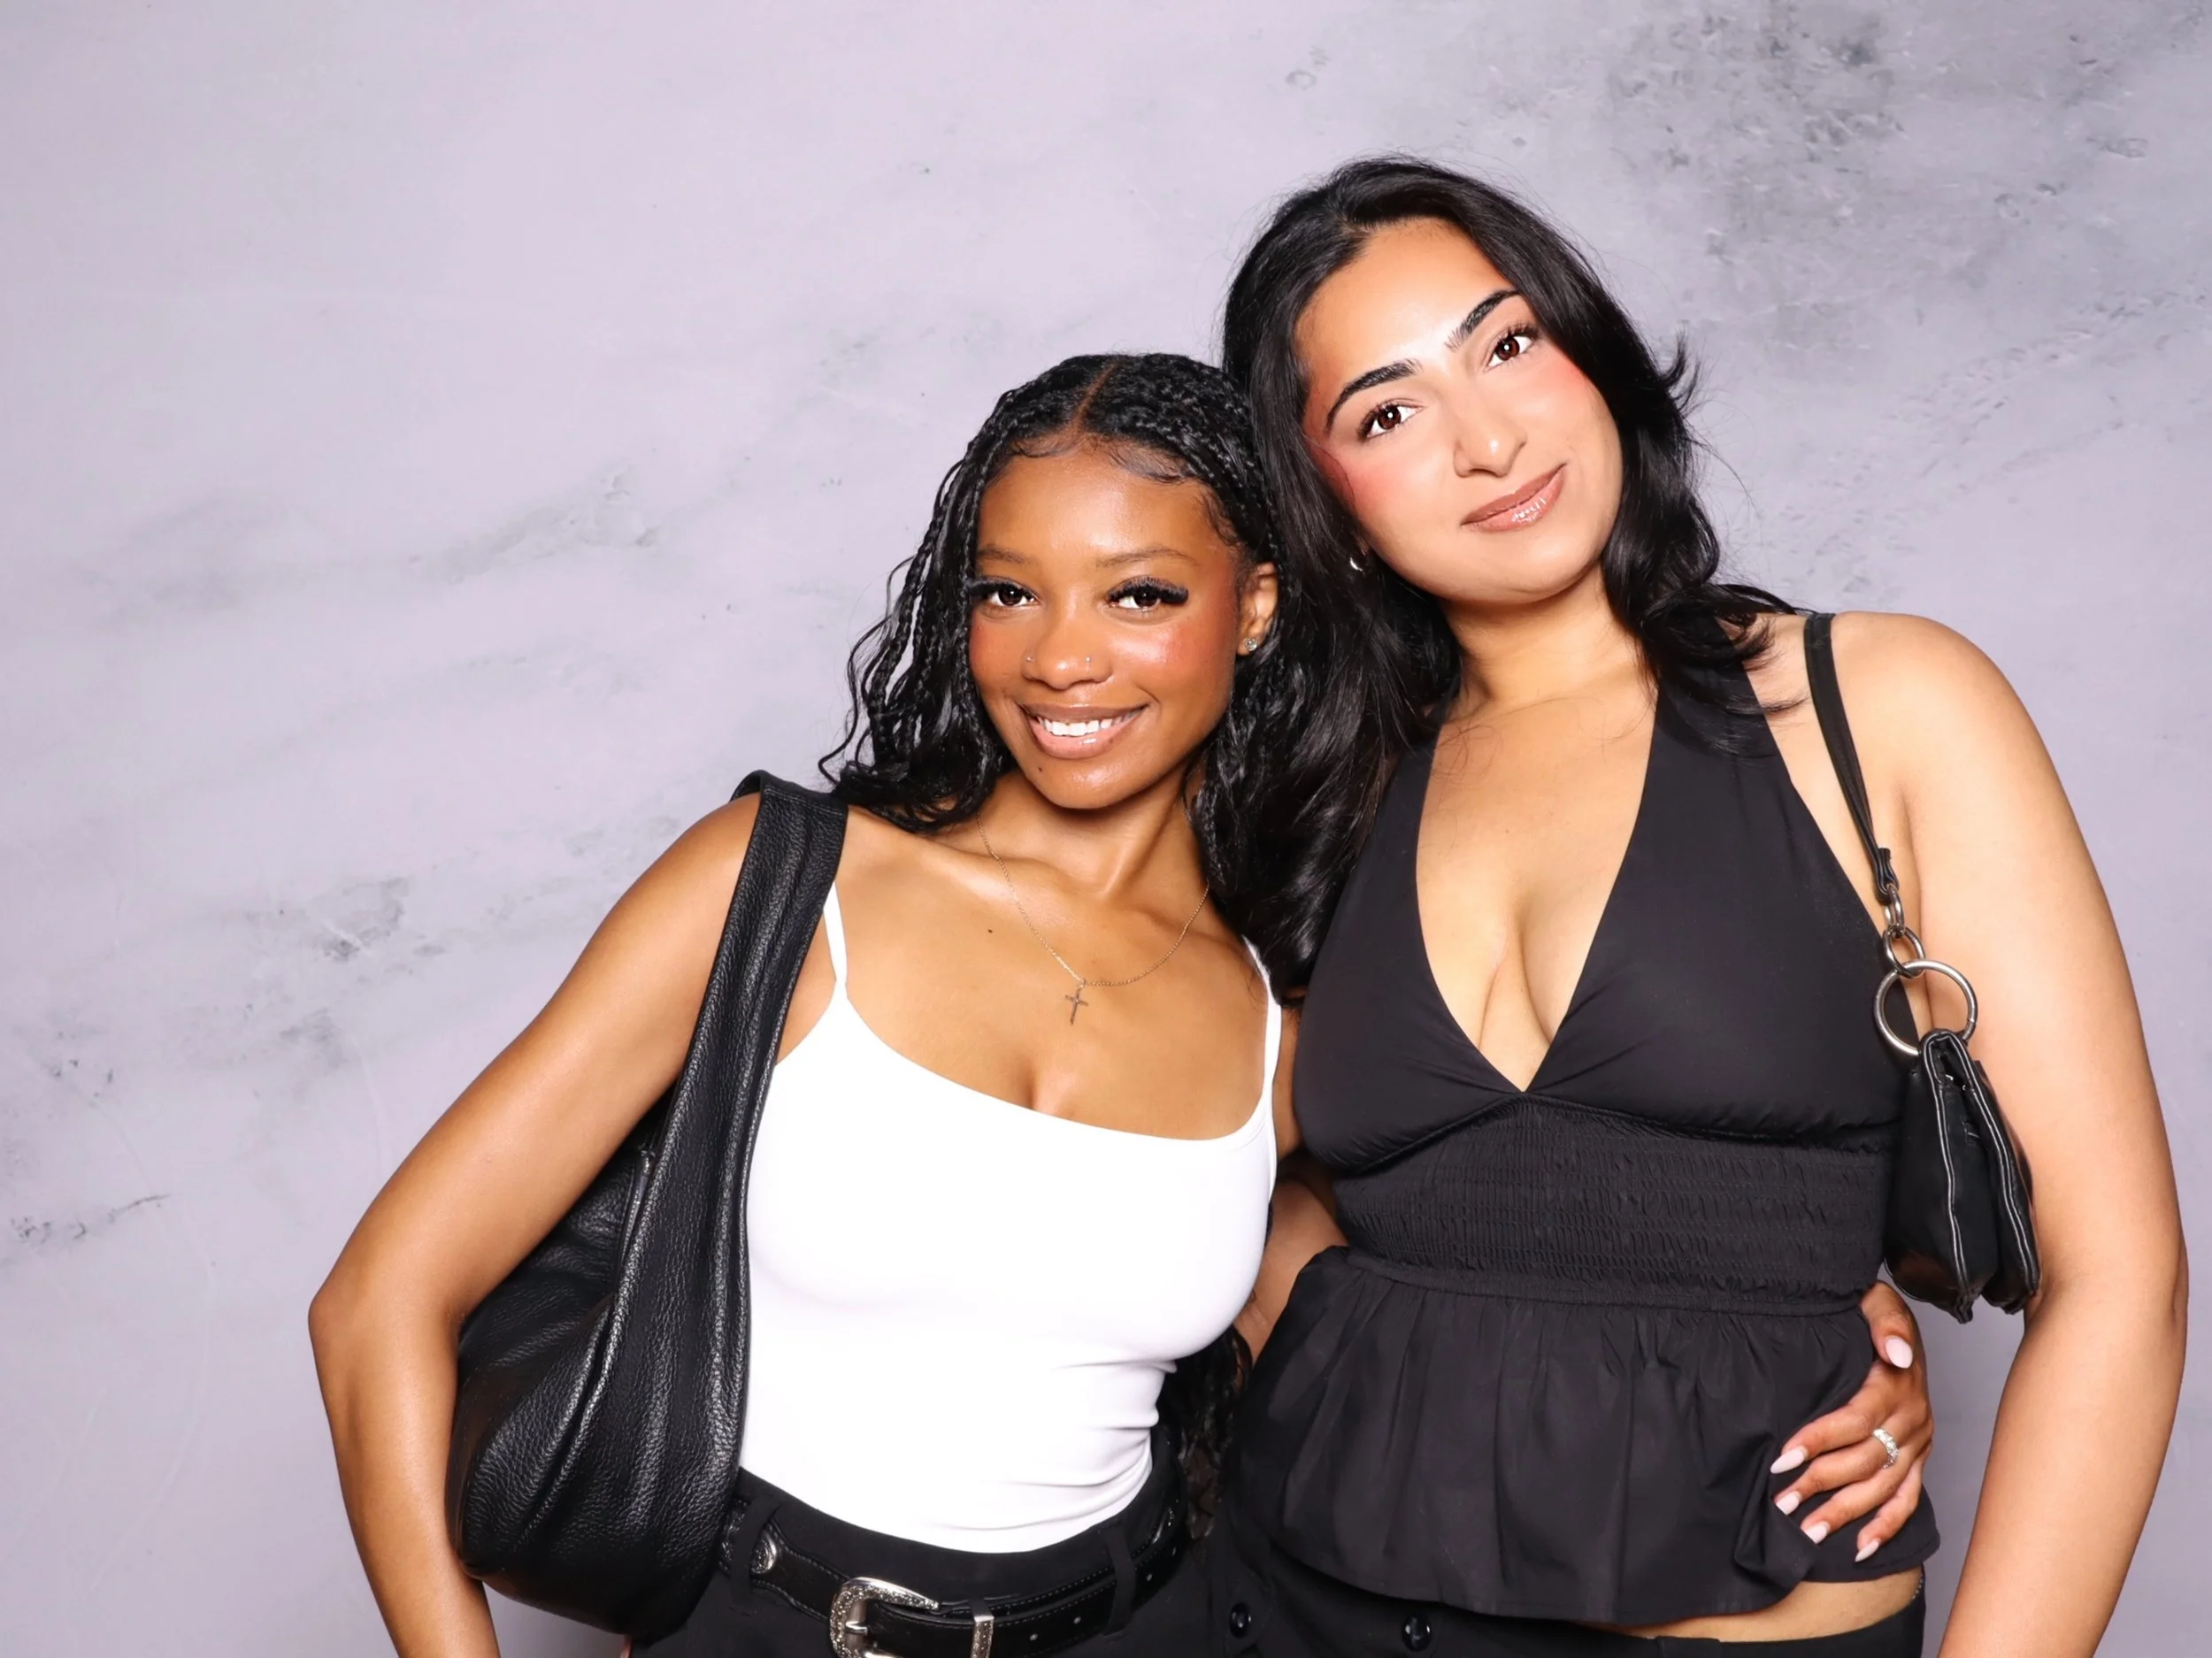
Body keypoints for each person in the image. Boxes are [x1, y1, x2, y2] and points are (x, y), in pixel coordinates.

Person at [309, 349, 1932, 1658]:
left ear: (1259, 606)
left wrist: (1820, 1315)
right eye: (1010, 592)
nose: (1061, 659)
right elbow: (381, 1300)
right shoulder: (778, 886)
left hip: (1160, 1617)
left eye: (1140, 594)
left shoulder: (1281, 993)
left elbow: (1488, 1239)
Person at [1211, 157, 2187, 1657]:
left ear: (1588, 353)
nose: (1489, 437)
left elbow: (2123, 1285)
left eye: (1510, 342)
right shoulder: (1328, 794)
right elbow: (1192, 1180)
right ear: (1325, 507)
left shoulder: (1879, 709)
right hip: (1314, 1602)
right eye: (1388, 412)